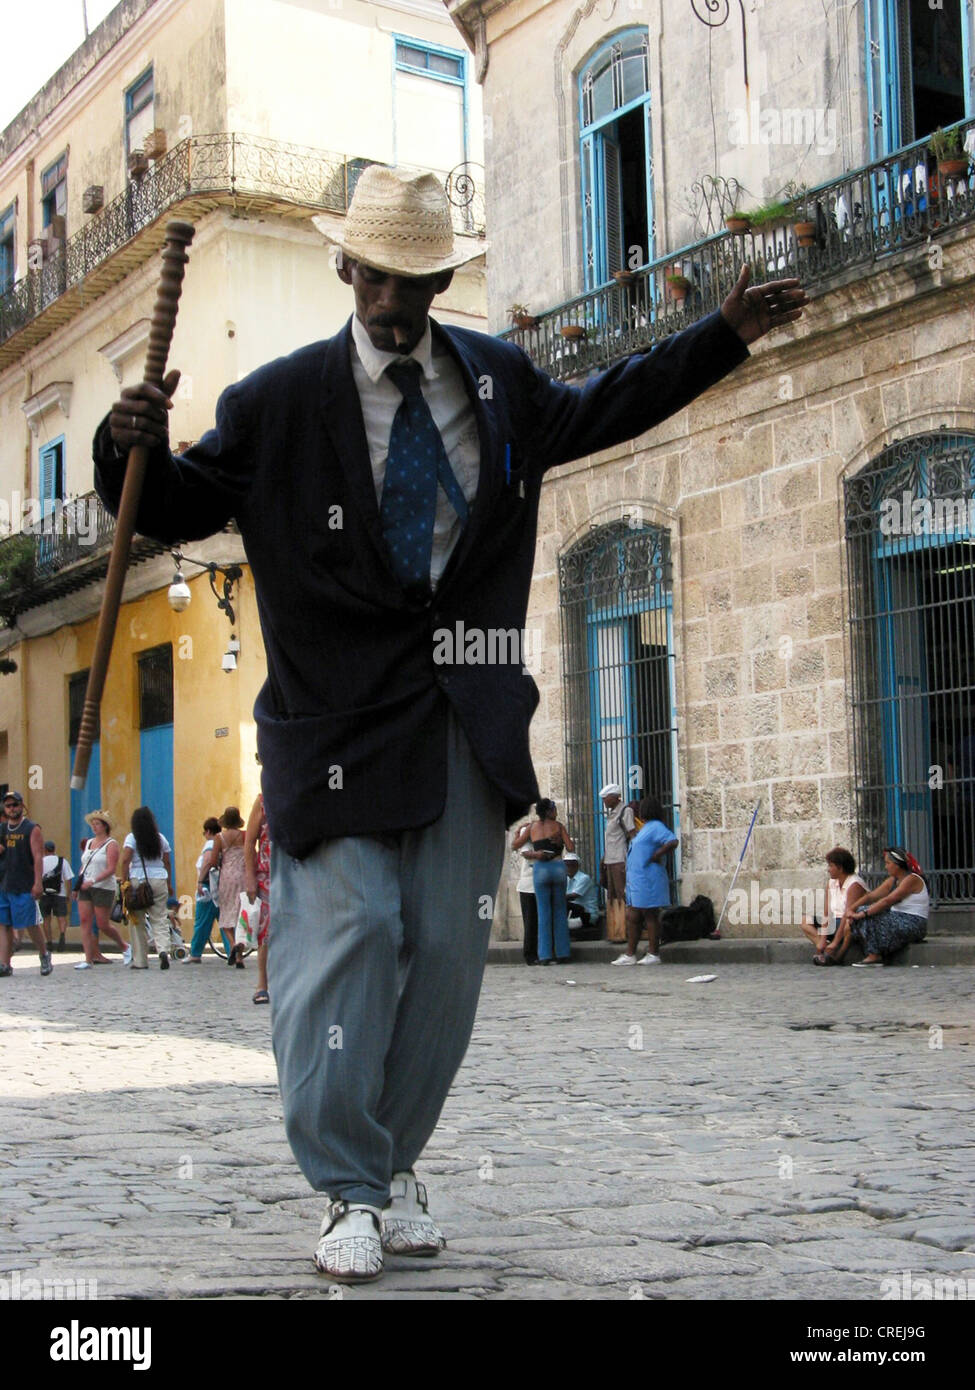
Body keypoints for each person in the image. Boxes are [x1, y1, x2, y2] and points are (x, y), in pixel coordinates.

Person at [92, 164, 806, 1280]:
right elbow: (173, 502)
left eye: (416, 277)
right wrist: (118, 446)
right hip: (334, 730)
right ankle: (344, 1186)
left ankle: (393, 1163)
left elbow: (608, 402)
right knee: (351, 942)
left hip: (464, 719)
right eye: (377, 273)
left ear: (440, 278)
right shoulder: (277, 405)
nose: (393, 297)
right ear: (346, 266)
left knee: (444, 961)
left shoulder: (502, 383)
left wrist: (719, 337)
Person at [829, 847, 929, 967]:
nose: (886, 867)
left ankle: (874, 955)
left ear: (897, 865)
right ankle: (855, 953)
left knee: (866, 915)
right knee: (859, 914)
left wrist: (863, 914)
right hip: (896, 919)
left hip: (913, 923)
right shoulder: (892, 880)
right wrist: (851, 909)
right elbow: (871, 896)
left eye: (888, 863)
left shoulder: (911, 879)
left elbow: (887, 901)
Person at [612, 796, 678, 966]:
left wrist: (657, 854)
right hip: (638, 879)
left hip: (649, 879)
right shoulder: (646, 828)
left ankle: (653, 952)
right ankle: (630, 953)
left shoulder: (656, 827)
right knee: (633, 915)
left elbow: (672, 841)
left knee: (650, 914)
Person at [512, 799, 575, 964]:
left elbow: (515, 845)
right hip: (557, 867)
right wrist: (560, 841)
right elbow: (570, 847)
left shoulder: (532, 827)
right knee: (560, 911)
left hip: (540, 870)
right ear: (548, 811)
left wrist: (519, 832)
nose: (556, 811)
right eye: (554, 809)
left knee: (543, 913)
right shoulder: (559, 826)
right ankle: (562, 953)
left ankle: (545, 955)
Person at [0, 792, 51, 978]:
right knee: (4, 925)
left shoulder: (31, 828)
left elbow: (38, 856)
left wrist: (38, 883)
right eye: (8, 806)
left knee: (30, 924)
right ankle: (5, 964)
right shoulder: (3, 829)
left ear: (22, 806)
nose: (11, 808)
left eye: (14, 805)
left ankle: (44, 954)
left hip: (24, 884)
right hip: (4, 883)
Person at [118, 807, 173, 970]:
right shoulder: (160, 838)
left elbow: (125, 859)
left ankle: (140, 960)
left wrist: (124, 881)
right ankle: (163, 950)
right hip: (159, 879)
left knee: (137, 921)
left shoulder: (132, 838)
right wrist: (169, 883)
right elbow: (167, 861)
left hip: (138, 881)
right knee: (160, 918)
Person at [74, 811, 128, 969]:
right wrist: (78, 885)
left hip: (103, 887)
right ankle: (88, 958)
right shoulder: (90, 842)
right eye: (93, 824)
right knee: (85, 921)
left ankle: (124, 946)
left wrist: (94, 880)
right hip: (85, 885)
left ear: (105, 826)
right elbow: (84, 865)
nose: (94, 826)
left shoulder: (111, 844)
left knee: (102, 923)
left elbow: (111, 869)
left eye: (97, 824)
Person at [800, 847, 867, 965]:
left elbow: (848, 913)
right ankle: (825, 949)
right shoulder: (832, 883)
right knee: (805, 920)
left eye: (831, 866)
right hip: (834, 921)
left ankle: (839, 953)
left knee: (848, 923)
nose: (828, 870)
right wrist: (822, 939)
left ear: (840, 868)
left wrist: (835, 942)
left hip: (849, 921)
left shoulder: (854, 884)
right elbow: (827, 912)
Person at [204, 807, 247, 968]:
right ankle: (239, 957)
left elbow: (213, 861)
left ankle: (233, 943)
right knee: (242, 915)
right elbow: (251, 853)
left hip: (227, 878)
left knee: (226, 915)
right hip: (243, 876)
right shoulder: (245, 835)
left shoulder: (219, 838)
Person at [244, 793, 271, 1003]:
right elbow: (250, 840)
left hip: (299, 872)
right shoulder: (263, 800)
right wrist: (250, 877)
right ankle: (262, 983)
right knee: (266, 930)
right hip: (268, 874)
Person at [599, 784, 637, 938]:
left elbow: (632, 834)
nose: (604, 802)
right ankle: (616, 930)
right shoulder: (612, 814)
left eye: (605, 798)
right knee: (612, 897)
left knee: (623, 895)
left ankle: (628, 929)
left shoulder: (625, 811)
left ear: (614, 797)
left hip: (620, 860)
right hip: (610, 859)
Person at [187, 817, 223, 962]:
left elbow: (207, 862)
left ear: (208, 831)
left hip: (208, 886)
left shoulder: (210, 844)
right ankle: (232, 949)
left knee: (202, 922)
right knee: (225, 922)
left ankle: (195, 953)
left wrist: (200, 881)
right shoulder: (221, 842)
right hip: (220, 886)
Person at [511, 821, 538, 964]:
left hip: (534, 886)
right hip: (528, 887)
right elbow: (526, 853)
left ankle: (534, 952)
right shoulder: (527, 845)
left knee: (534, 922)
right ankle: (530, 954)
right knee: (531, 922)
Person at [40, 840, 73, 952]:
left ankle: (49, 942)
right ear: (54, 849)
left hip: (44, 894)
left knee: (46, 919)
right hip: (60, 894)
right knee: (61, 918)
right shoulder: (63, 861)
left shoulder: (41, 862)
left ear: (45, 850)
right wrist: (68, 894)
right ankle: (62, 936)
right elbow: (68, 879)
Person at [564, 852, 600, 934]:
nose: (568, 868)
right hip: (574, 912)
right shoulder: (566, 878)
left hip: (587, 914)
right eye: (566, 865)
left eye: (571, 865)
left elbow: (574, 896)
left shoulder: (584, 878)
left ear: (577, 866)